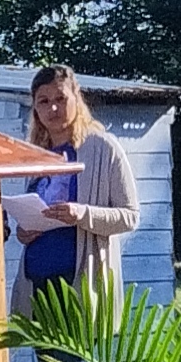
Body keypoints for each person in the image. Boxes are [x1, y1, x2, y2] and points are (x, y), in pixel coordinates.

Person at [9, 63, 139, 313]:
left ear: (76, 99)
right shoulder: (35, 154)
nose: (53, 108)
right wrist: (24, 232)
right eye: (43, 101)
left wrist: (82, 214)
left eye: (60, 98)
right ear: (35, 108)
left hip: (79, 287)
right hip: (37, 286)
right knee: (44, 354)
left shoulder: (103, 148)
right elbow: (30, 216)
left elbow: (130, 217)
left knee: (71, 354)